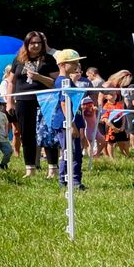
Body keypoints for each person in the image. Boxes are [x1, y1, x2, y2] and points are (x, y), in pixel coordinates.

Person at [4, 31, 58, 178]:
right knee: (26, 135)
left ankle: (53, 169)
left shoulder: (49, 59)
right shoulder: (19, 60)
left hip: (45, 101)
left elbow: (55, 83)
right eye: (32, 43)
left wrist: (38, 77)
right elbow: (11, 81)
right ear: (26, 44)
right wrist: (9, 102)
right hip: (23, 101)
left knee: (47, 134)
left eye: (38, 43)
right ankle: (30, 169)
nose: (36, 45)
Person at [51, 50, 87, 190]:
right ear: (63, 65)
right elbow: (64, 103)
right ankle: (69, 181)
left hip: (72, 121)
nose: (77, 65)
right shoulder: (62, 82)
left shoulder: (68, 81)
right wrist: (71, 125)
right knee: (70, 152)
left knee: (74, 151)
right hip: (66, 123)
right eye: (74, 62)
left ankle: (73, 179)